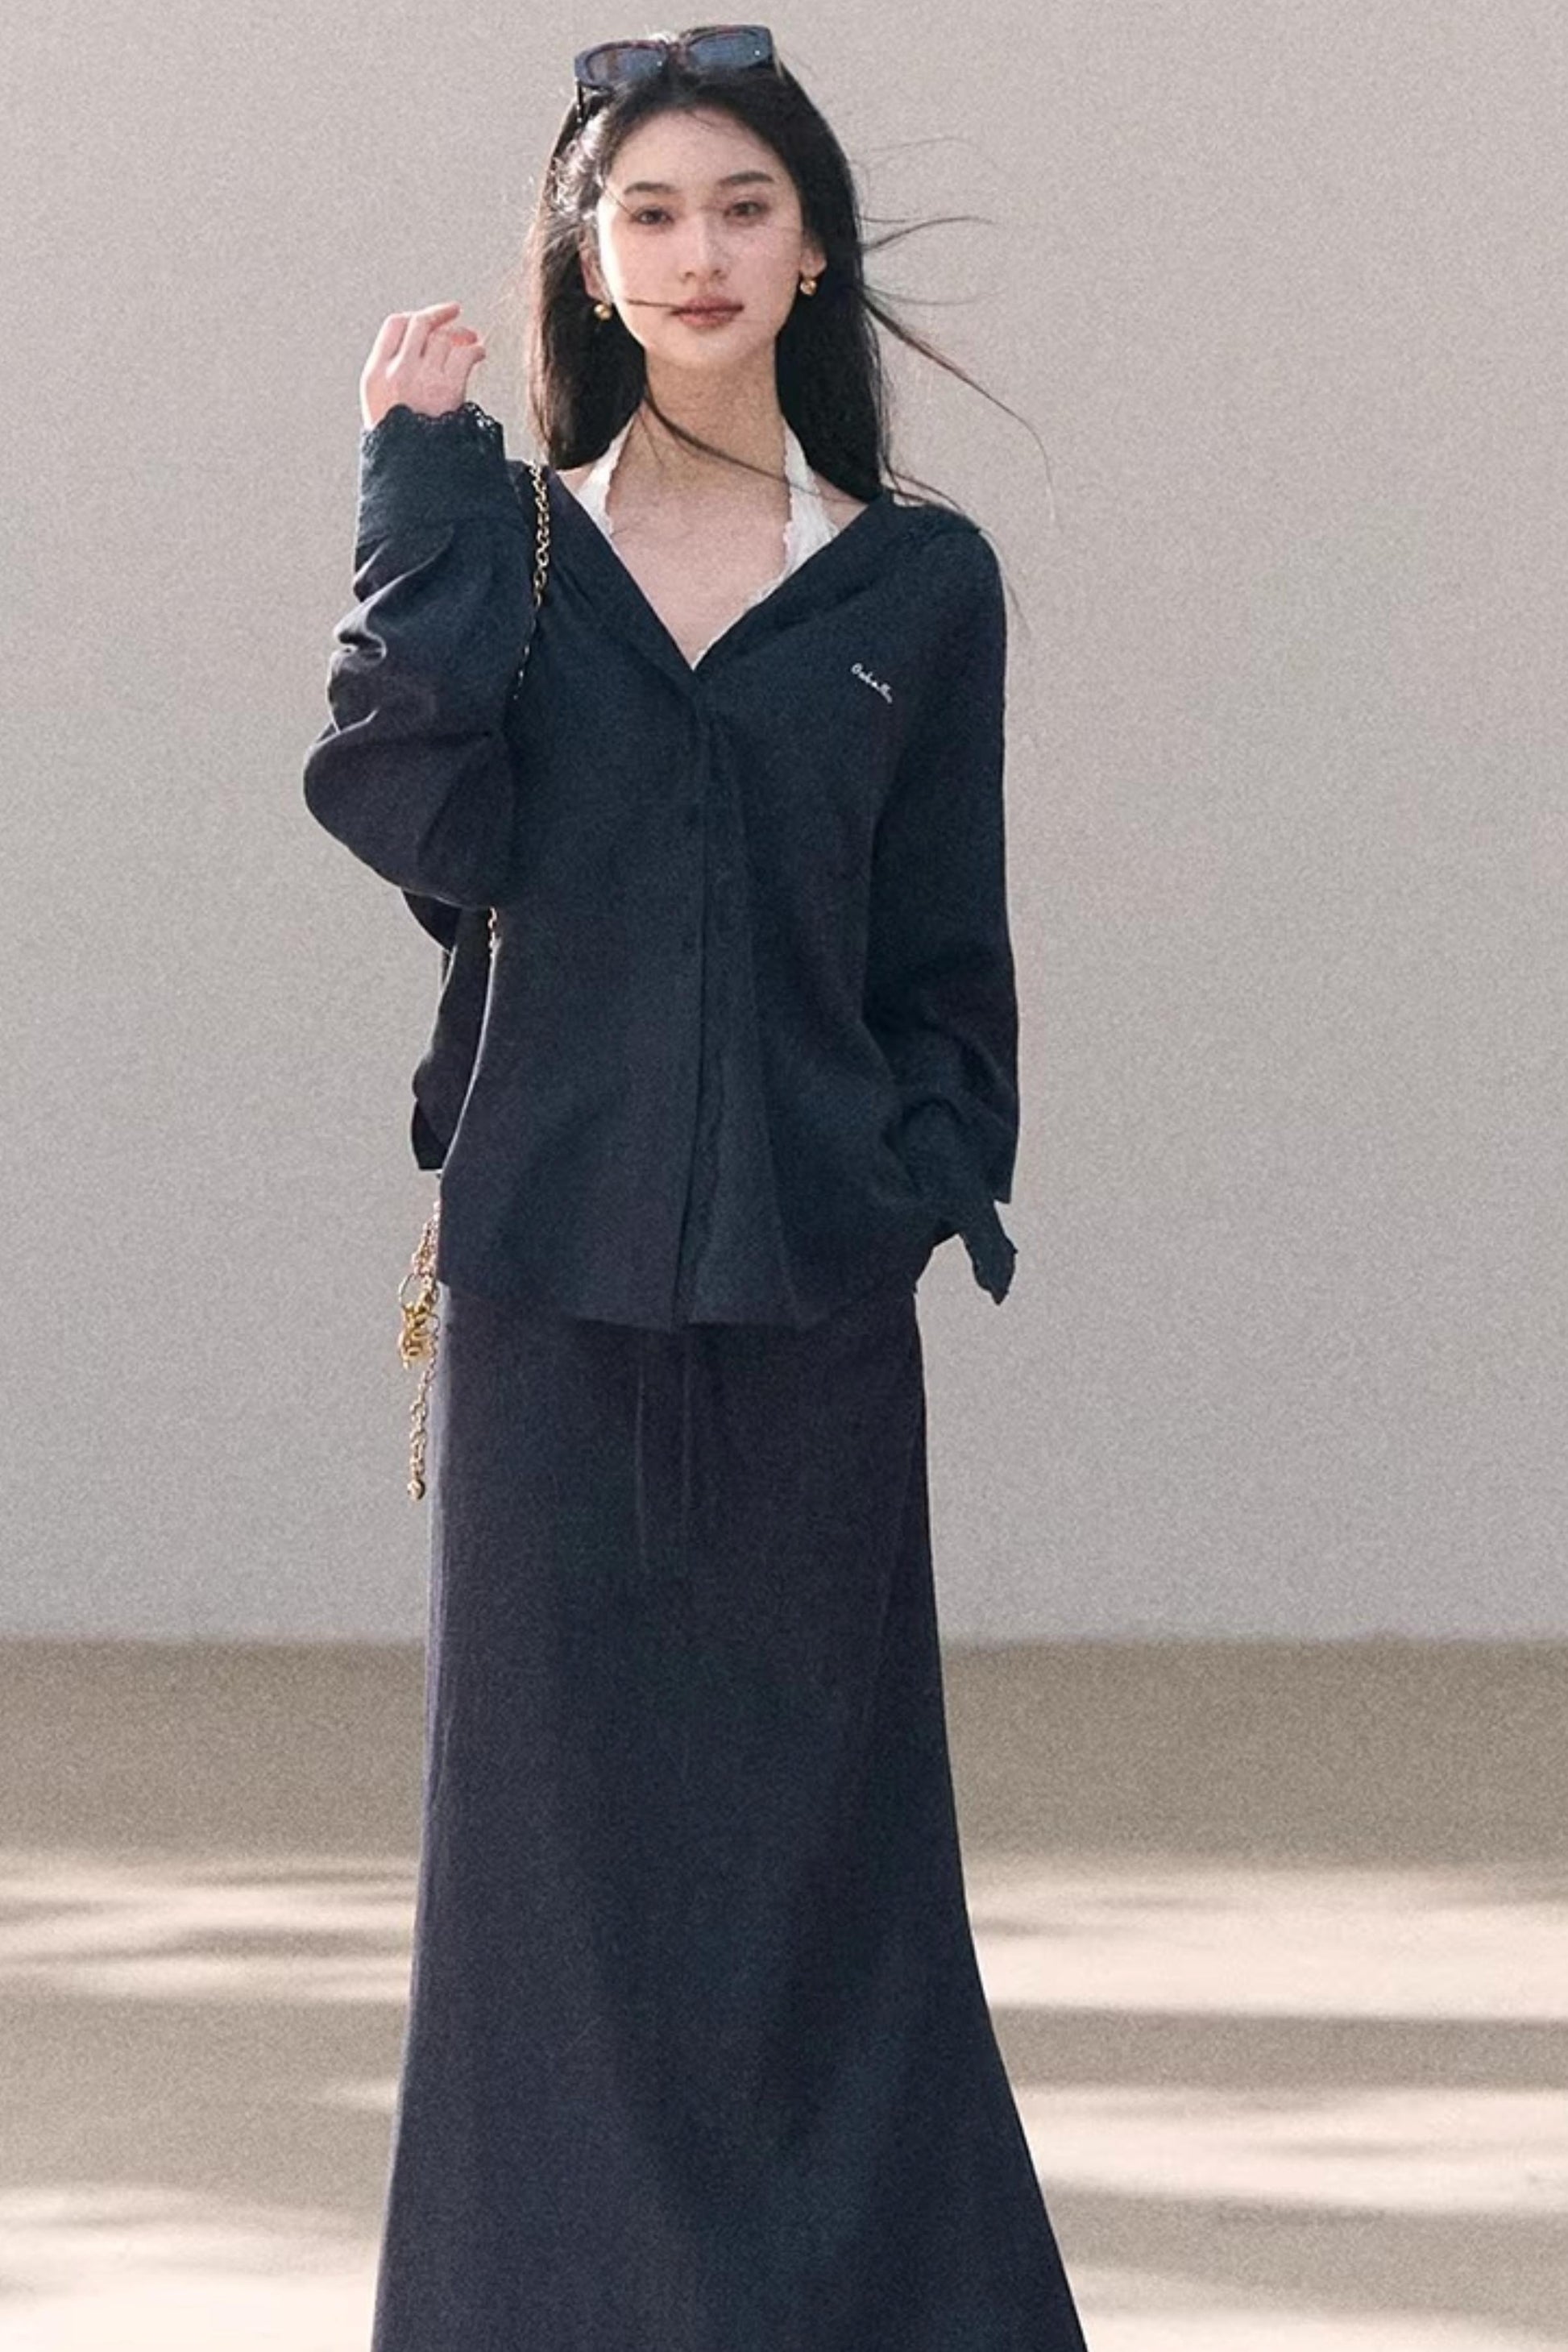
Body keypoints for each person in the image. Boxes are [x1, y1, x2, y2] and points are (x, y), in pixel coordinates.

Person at [303, 24, 1090, 2350]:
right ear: (587, 255)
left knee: (832, 1871)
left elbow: (947, 951)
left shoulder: (915, 585)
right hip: (548, 1307)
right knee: (544, 1893)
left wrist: (912, 1174)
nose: (699, 250)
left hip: (813, 1315)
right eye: (647, 211)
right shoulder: (513, 548)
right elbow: (418, 822)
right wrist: (412, 501)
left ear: (813, 244)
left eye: (744, 204)